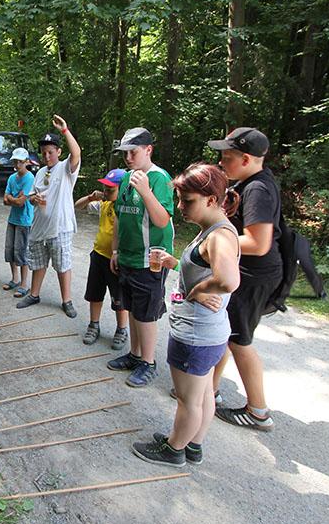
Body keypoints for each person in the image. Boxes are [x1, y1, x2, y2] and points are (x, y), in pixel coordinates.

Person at [131, 163, 240, 467]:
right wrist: (173, 262)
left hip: (196, 335)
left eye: (187, 200)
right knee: (203, 394)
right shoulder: (215, 230)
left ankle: (174, 450)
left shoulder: (219, 236)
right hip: (208, 333)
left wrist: (201, 289)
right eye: (179, 199)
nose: (180, 207)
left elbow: (229, 280)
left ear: (211, 200)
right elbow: (203, 269)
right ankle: (193, 444)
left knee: (188, 400)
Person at [207, 127, 280, 431]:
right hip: (246, 272)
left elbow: (258, 243)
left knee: (240, 341)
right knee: (228, 333)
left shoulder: (257, 190)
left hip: (253, 276)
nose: (222, 165)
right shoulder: (250, 182)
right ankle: (210, 390)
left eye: (227, 158)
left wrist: (215, 238)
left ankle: (258, 411)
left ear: (247, 159)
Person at [108, 128, 174, 387]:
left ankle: (149, 362)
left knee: (146, 312)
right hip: (127, 257)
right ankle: (135, 355)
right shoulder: (125, 178)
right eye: (125, 153)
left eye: (133, 152)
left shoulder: (159, 179)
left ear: (149, 150)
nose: (128, 158)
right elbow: (119, 218)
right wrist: (115, 251)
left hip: (151, 260)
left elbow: (162, 220)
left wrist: (145, 191)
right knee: (132, 308)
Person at [16, 115, 82, 317]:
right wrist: (34, 199)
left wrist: (65, 130)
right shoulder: (40, 172)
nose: (47, 156)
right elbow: (34, 195)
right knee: (38, 262)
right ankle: (34, 294)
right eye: (44, 152)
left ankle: (67, 301)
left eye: (51, 152)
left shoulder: (65, 168)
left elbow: (77, 153)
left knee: (62, 265)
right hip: (39, 226)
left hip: (60, 226)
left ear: (59, 152)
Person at [74, 168, 130, 349]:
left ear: (122, 190)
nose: (106, 192)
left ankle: (122, 329)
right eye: (105, 188)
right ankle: (94, 325)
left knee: (119, 298)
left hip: (116, 260)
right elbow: (77, 206)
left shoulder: (126, 209)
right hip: (98, 255)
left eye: (110, 189)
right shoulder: (103, 204)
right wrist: (91, 197)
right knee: (95, 293)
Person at [2, 148, 36, 298]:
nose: (17, 165)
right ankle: (14, 279)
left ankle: (24, 284)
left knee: (21, 251)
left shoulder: (30, 178)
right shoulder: (11, 178)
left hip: (24, 220)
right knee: (10, 249)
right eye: (15, 161)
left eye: (20, 162)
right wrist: (13, 199)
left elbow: (21, 203)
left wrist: (12, 198)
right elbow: (5, 200)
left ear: (27, 162)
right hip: (13, 219)